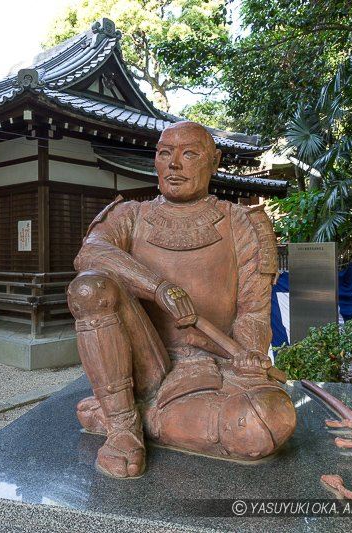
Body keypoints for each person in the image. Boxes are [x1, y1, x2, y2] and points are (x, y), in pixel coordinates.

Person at [67, 121, 296, 479]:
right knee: (89, 288)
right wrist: (157, 287)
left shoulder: (241, 222)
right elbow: (90, 253)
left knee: (264, 424)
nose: (174, 164)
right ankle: (124, 427)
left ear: (214, 161)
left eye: (189, 154)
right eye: (164, 153)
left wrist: (250, 354)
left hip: (214, 367)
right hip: (142, 362)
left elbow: (253, 311)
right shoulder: (131, 216)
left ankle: (122, 411)